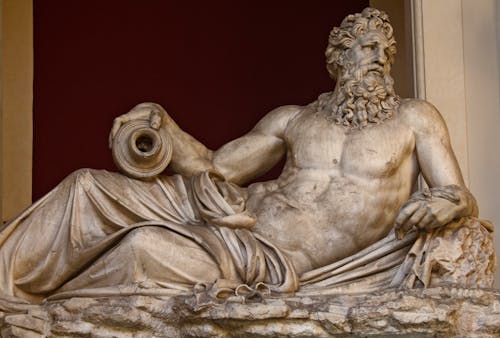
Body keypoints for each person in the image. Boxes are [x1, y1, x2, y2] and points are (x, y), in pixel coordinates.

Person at [0, 8, 494, 305]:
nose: (379, 60)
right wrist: (164, 128)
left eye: (385, 52)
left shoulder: (415, 118)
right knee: (87, 185)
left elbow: (457, 192)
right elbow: (217, 168)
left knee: (142, 249)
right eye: (366, 49)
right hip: (229, 210)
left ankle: (34, 304)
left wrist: (450, 203)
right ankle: (6, 287)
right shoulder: (294, 119)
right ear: (337, 59)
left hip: (265, 256)